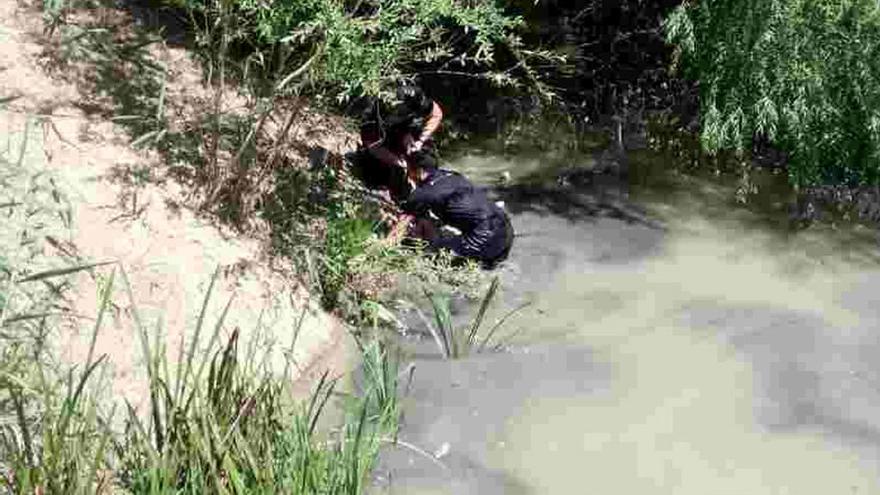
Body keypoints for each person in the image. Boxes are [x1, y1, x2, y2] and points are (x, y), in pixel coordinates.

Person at [395, 151, 514, 269]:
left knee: (433, 256)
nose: (408, 175)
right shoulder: (453, 175)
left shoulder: (423, 194)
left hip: (485, 238)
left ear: (418, 171)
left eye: (408, 170)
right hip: (506, 231)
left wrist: (385, 246)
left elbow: (401, 225)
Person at [354, 85, 444, 201]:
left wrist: (420, 141)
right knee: (376, 174)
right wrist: (397, 162)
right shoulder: (373, 113)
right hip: (382, 140)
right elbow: (373, 145)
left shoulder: (418, 101)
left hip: (407, 133)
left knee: (426, 162)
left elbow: (436, 114)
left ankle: (430, 194)